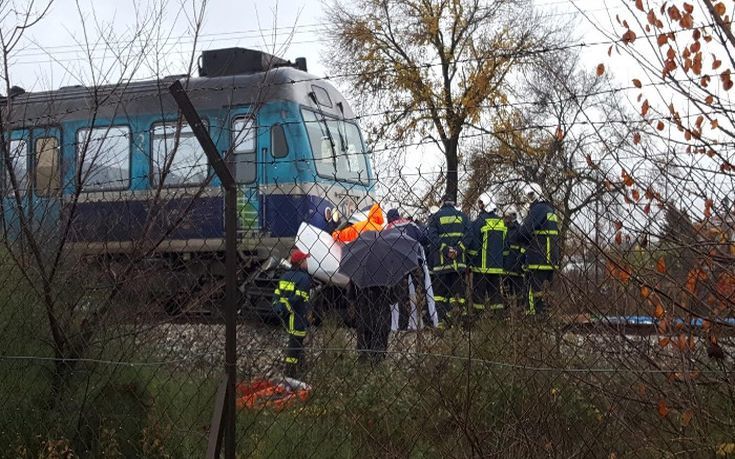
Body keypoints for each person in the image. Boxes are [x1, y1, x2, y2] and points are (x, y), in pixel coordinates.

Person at [385, 208, 438, 330]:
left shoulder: (389, 228)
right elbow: (424, 239)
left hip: (399, 264)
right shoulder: (411, 224)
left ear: (389, 218)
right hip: (415, 260)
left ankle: (403, 325)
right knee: (421, 290)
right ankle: (428, 322)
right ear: (398, 216)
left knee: (402, 295)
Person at [426, 195, 471, 328]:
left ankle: (441, 322)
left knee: (440, 295)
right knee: (457, 294)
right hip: (459, 264)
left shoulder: (435, 217)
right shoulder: (463, 216)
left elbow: (432, 237)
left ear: (442, 202)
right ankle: (458, 322)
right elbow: (469, 236)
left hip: (441, 265)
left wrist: (446, 250)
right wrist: (458, 250)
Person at [517, 183, 559, 316]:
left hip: (538, 256)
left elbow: (524, 231)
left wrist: (517, 235)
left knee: (533, 292)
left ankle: (535, 319)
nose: (529, 198)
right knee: (547, 293)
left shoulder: (538, 209)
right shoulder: (550, 209)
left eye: (531, 194)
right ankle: (547, 317)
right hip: (551, 257)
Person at [272, 248, 313, 379]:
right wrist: (289, 308)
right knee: (295, 345)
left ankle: (301, 367)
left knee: (296, 343)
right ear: (301, 262)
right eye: (305, 260)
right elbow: (298, 299)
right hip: (298, 317)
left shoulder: (284, 276)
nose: (307, 263)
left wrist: (280, 308)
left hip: (286, 316)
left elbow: (276, 295)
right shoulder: (304, 279)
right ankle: (290, 373)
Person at [466, 192, 506, 313]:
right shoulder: (501, 221)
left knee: (479, 294)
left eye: (480, 203)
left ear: (483, 204)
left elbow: (474, 245)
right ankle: (498, 319)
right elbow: (505, 243)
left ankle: (478, 319)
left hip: (481, 267)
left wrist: (469, 262)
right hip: (497, 266)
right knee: (495, 293)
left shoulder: (479, 222)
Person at [355, 284, 399, 364]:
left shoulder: (360, 274)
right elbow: (393, 299)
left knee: (364, 352)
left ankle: (364, 368)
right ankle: (375, 366)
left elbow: (352, 296)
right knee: (378, 352)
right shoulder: (387, 274)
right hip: (381, 317)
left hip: (366, 316)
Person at [502, 205, 526, 311]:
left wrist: (520, 261)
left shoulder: (520, 230)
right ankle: (508, 314)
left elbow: (524, 247)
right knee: (507, 293)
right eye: (505, 217)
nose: (506, 219)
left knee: (520, 293)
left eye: (508, 217)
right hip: (505, 268)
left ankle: (520, 314)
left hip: (517, 267)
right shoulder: (503, 230)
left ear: (513, 216)